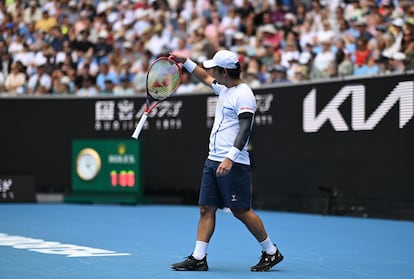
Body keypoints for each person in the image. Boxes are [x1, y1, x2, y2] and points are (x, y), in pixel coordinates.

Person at [169, 50, 283, 272]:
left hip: (234, 162)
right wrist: (186, 62)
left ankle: (271, 252)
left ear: (224, 71)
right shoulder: (224, 88)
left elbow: (245, 128)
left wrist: (230, 158)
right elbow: (203, 76)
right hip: (213, 160)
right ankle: (199, 257)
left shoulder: (244, 95)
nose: (211, 72)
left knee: (241, 211)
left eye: (214, 69)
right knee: (205, 208)